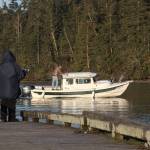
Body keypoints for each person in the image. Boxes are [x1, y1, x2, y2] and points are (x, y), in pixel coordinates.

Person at [0, 50, 27, 122]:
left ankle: (3, 118)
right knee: (12, 105)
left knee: (3, 104)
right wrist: (25, 72)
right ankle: (12, 119)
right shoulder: (16, 66)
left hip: (2, 93)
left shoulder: (1, 67)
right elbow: (21, 76)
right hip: (13, 91)